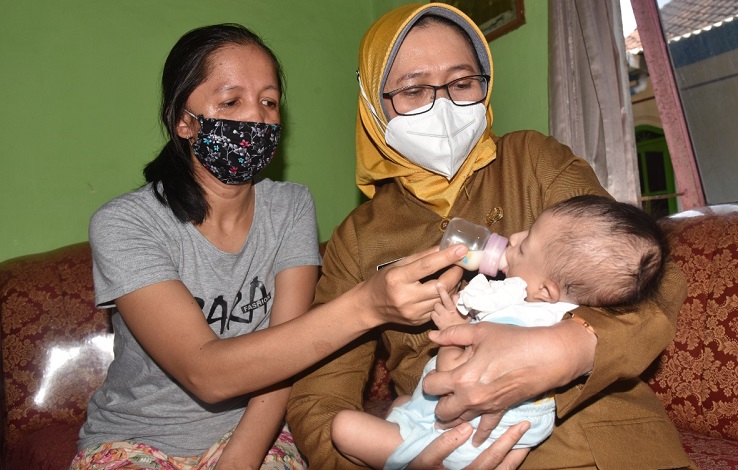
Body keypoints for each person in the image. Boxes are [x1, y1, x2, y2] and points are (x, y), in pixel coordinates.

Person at [287, 3, 696, 469]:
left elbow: (651, 278)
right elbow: (317, 401)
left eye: (462, 83)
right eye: (413, 90)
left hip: (602, 448)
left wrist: (570, 347)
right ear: (373, 105)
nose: (442, 106)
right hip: (440, 446)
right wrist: (403, 463)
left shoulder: (535, 162)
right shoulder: (356, 239)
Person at [69, 23, 468, 470]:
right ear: (183, 121)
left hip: (253, 432)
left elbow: (289, 351)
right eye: (230, 101)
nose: (256, 118)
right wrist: (368, 305)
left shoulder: (290, 207)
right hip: (137, 439)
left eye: (268, 101)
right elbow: (206, 374)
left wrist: (240, 458)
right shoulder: (125, 224)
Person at [331, 195, 671, 469]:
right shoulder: (545, 308)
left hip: (464, 442)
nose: (516, 236)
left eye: (524, 246)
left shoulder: (517, 321)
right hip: (477, 433)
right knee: (401, 403)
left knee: (344, 428)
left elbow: (456, 382)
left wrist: (452, 334)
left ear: (545, 290)